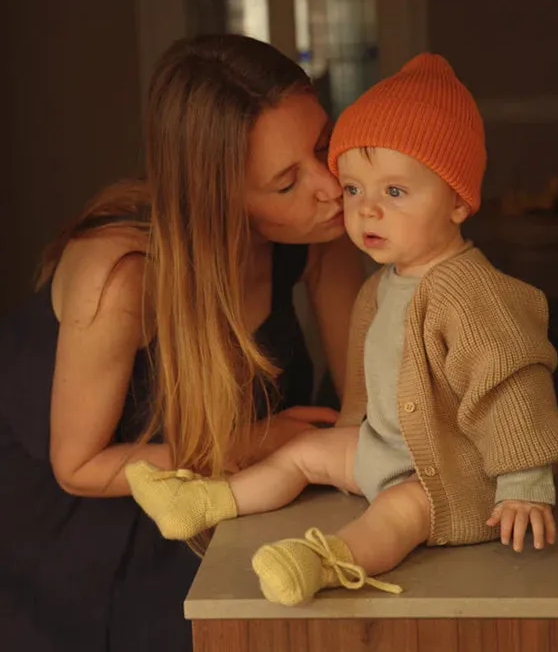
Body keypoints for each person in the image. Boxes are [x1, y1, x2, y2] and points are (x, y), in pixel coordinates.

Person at [126, 53, 558, 608]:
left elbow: (513, 390)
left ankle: (328, 561)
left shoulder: (475, 294)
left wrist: (524, 484)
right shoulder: (382, 286)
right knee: (304, 453)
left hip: (455, 473)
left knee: (400, 512)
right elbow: (364, 385)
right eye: (356, 189)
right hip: (388, 450)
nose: (365, 212)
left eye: (394, 193)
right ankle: (208, 502)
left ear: (458, 200)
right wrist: (347, 434)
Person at [0, 34, 365, 649]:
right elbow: (79, 468)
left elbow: (362, 400)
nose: (330, 186)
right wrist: (259, 440)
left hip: (213, 498)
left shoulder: (320, 221)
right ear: (221, 199)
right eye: (285, 183)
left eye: (323, 147)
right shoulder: (120, 275)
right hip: (77, 530)